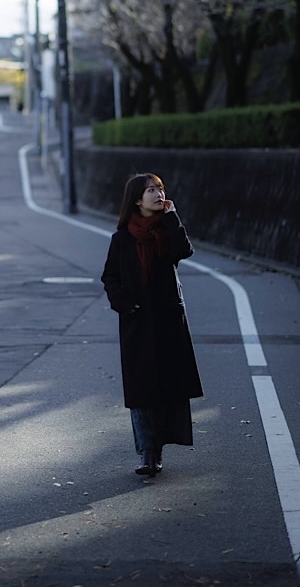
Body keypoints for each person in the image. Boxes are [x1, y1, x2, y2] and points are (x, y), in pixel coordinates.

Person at [101, 172, 203, 477]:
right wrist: (122, 302)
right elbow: (110, 277)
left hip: (169, 320)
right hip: (137, 322)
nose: (158, 195)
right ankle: (149, 453)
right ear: (136, 199)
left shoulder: (166, 230)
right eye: (150, 191)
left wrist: (172, 216)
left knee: (170, 384)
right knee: (142, 389)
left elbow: (183, 252)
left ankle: (162, 442)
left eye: (160, 190)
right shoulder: (122, 239)